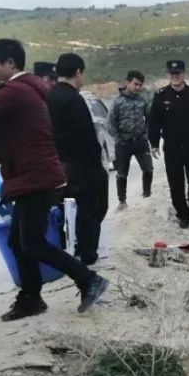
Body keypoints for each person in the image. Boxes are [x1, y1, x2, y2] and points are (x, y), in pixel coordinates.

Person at [0, 38, 108, 320]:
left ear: (10, 63)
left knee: (32, 243)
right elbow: (23, 140)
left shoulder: (14, 91)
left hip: (34, 178)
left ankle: (88, 280)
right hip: (35, 175)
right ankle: (31, 298)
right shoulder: (30, 89)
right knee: (18, 242)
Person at [46, 53, 109, 266]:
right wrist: (97, 164)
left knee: (67, 210)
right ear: (78, 72)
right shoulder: (73, 99)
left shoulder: (50, 96)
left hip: (57, 162)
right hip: (80, 164)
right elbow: (85, 135)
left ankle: (69, 249)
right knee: (92, 207)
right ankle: (87, 253)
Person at [148, 59, 189, 229]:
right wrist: (154, 143)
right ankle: (183, 215)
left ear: (184, 74)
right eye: (172, 73)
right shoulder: (161, 96)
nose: (175, 76)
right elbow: (154, 122)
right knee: (176, 182)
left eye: (178, 73)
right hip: (172, 147)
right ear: (168, 74)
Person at [108, 70, 153, 210]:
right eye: (135, 84)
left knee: (148, 169)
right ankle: (122, 201)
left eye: (140, 85)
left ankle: (147, 195)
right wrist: (118, 138)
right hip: (123, 143)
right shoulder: (117, 101)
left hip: (140, 141)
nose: (137, 87)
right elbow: (111, 123)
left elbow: (149, 119)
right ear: (127, 82)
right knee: (122, 174)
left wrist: (146, 135)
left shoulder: (142, 100)